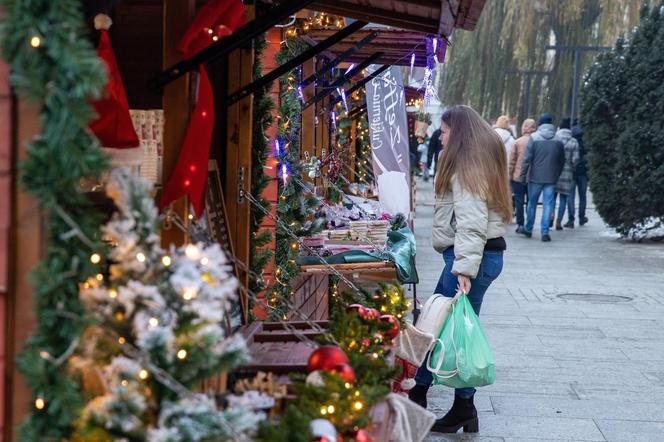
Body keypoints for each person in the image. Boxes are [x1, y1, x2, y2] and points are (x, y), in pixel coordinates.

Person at [409, 105, 511, 434]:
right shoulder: (483, 156)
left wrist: (463, 269)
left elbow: (470, 221)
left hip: (470, 258)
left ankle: (417, 397)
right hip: (483, 256)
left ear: (460, 132)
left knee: (434, 326)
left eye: (445, 130)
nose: (441, 135)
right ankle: (463, 408)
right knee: (458, 329)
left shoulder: (468, 164)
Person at [518, 113, 565, 242]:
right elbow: (562, 160)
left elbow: (527, 159)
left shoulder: (534, 137)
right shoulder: (558, 139)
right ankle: (545, 231)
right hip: (551, 178)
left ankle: (528, 229)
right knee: (548, 204)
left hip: (535, 177)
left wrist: (522, 176)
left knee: (532, 203)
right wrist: (557, 174)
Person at [509, 118, 536, 233]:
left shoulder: (517, 142)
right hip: (533, 177)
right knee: (531, 201)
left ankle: (520, 224)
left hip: (517, 176)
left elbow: (512, 161)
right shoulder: (536, 141)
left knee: (519, 201)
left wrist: (509, 174)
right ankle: (530, 224)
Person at [554, 118, 579, 230]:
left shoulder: (554, 138)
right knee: (563, 198)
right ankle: (559, 221)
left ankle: (550, 217)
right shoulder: (574, 141)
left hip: (554, 173)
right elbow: (575, 159)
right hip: (567, 173)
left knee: (552, 198)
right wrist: (571, 168)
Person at [566, 124, 589, 226]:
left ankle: (571, 219)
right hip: (583, 173)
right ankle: (582, 217)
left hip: (572, 172)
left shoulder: (571, 142)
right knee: (582, 196)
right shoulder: (585, 143)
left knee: (570, 196)